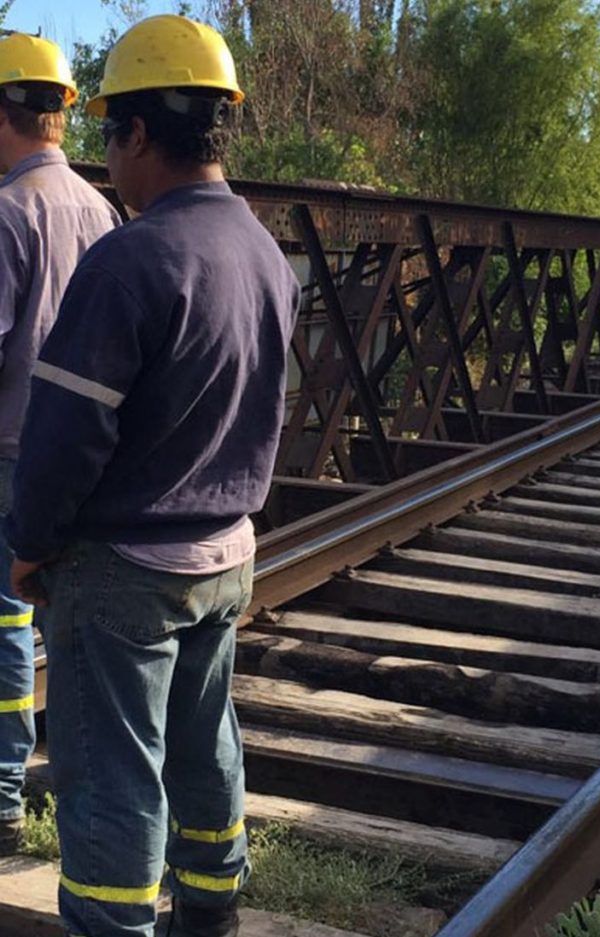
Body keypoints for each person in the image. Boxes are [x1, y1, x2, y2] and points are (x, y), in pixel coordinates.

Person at [4, 14, 299, 937]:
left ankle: (113, 923)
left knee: (112, 776)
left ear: (138, 134)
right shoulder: (262, 250)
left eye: (109, 134)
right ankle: (212, 910)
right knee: (205, 743)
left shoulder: (133, 260)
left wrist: (28, 545)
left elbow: (68, 434)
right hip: (224, 551)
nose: (108, 157)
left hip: (125, 564)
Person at [0, 32, 121, 856]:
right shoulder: (102, 209)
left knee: (4, 623)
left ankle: (2, 796)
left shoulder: (7, 212)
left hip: (11, 451)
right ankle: (55, 780)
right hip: (88, 456)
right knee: (64, 618)